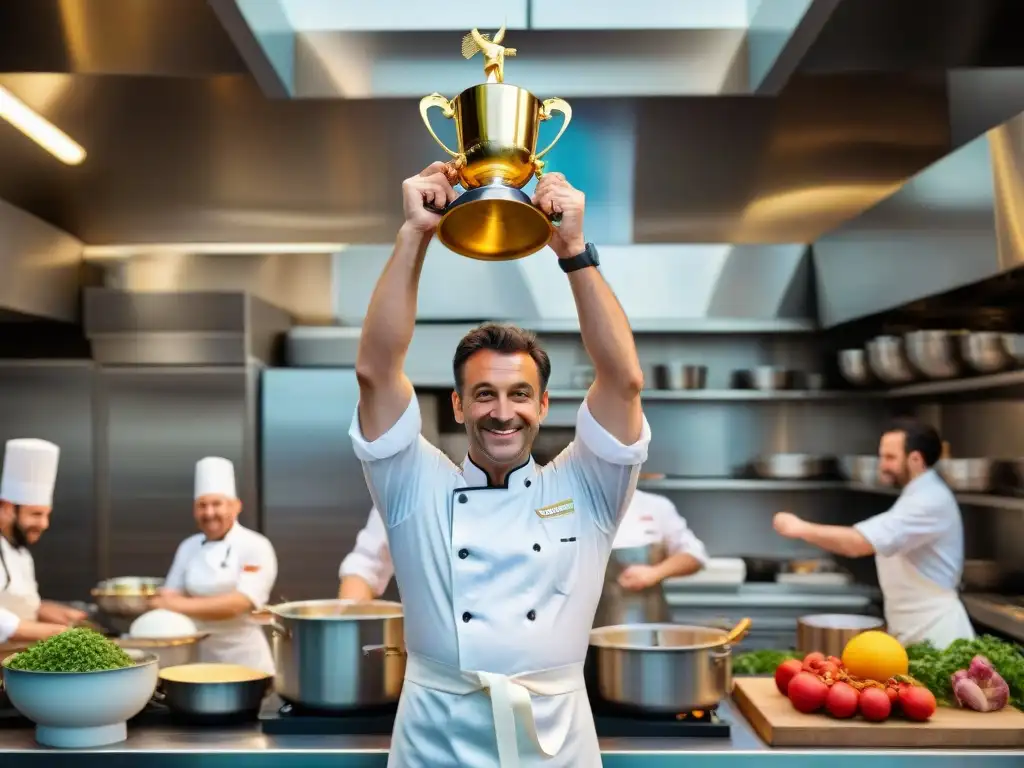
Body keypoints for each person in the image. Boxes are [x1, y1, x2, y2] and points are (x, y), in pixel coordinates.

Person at [348, 162, 650, 768]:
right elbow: (376, 372)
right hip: (435, 742)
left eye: (518, 395)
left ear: (543, 403)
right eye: (484, 394)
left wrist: (573, 251)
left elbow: (624, 379)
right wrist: (414, 235)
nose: (502, 412)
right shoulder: (413, 485)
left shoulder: (586, 485)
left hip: (554, 743)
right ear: (458, 405)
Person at [772, 418, 975, 649]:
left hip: (937, 634)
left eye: (890, 458)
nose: (882, 465)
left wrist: (801, 528)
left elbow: (858, 543)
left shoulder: (929, 501)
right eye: (882, 456)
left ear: (916, 459)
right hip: (914, 630)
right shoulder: (916, 495)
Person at [338, 489, 707, 601]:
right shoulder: (560, 502)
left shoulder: (654, 507)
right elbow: (367, 563)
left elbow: (694, 555)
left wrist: (655, 572)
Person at [150, 457, 278, 674]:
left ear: (236, 506)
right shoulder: (188, 547)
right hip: (194, 658)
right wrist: (167, 602)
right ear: (194, 510)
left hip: (244, 659)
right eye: (202, 505)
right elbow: (169, 593)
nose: (209, 513)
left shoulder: (256, 545)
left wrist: (174, 605)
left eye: (216, 504)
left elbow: (240, 603)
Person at [0, 438, 86, 643]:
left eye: (47, 515)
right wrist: (56, 633)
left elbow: (18, 604)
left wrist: (44, 610)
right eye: (36, 514)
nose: (45, 524)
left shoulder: (20, 551)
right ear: (6, 508)